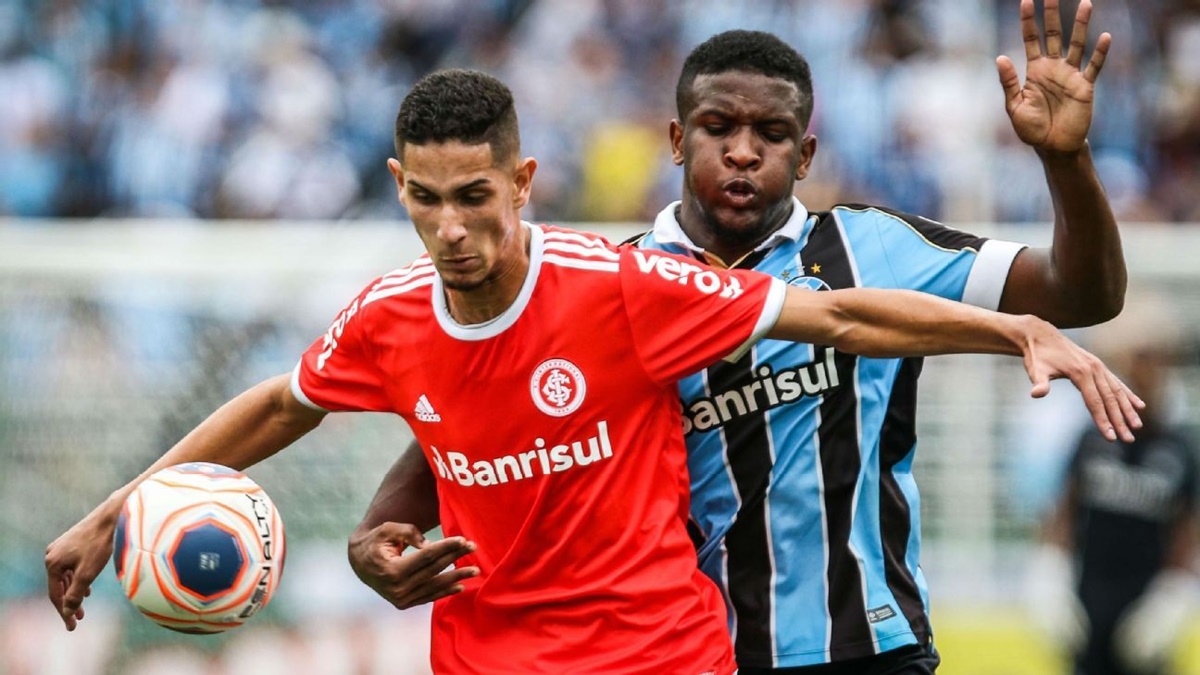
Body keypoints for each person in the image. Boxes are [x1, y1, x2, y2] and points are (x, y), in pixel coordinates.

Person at [45, 69, 1141, 675]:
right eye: (426, 200)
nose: (452, 227)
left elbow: (840, 314)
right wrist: (117, 511)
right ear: (398, 189)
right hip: (490, 657)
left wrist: (1015, 333)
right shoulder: (391, 316)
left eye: (475, 195)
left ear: (522, 181)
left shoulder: (622, 288)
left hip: (687, 652)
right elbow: (299, 409)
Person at [346, 2, 1134, 673]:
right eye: (718, 126)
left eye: (774, 132)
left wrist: (1065, 160)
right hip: (695, 651)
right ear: (676, 139)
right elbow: (474, 419)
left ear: (807, 153)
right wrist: (374, 530)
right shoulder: (611, 285)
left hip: (871, 642)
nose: (744, 150)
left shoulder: (877, 249)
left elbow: (1084, 292)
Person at [1028, 291, 1198, 675]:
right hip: (1088, 604)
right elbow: (1063, 512)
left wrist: (1172, 595)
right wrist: (1049, 575)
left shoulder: (1180, 448)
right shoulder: (1092, 438)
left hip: (1144, 608)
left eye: (1155, 359)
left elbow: (1187, 529)